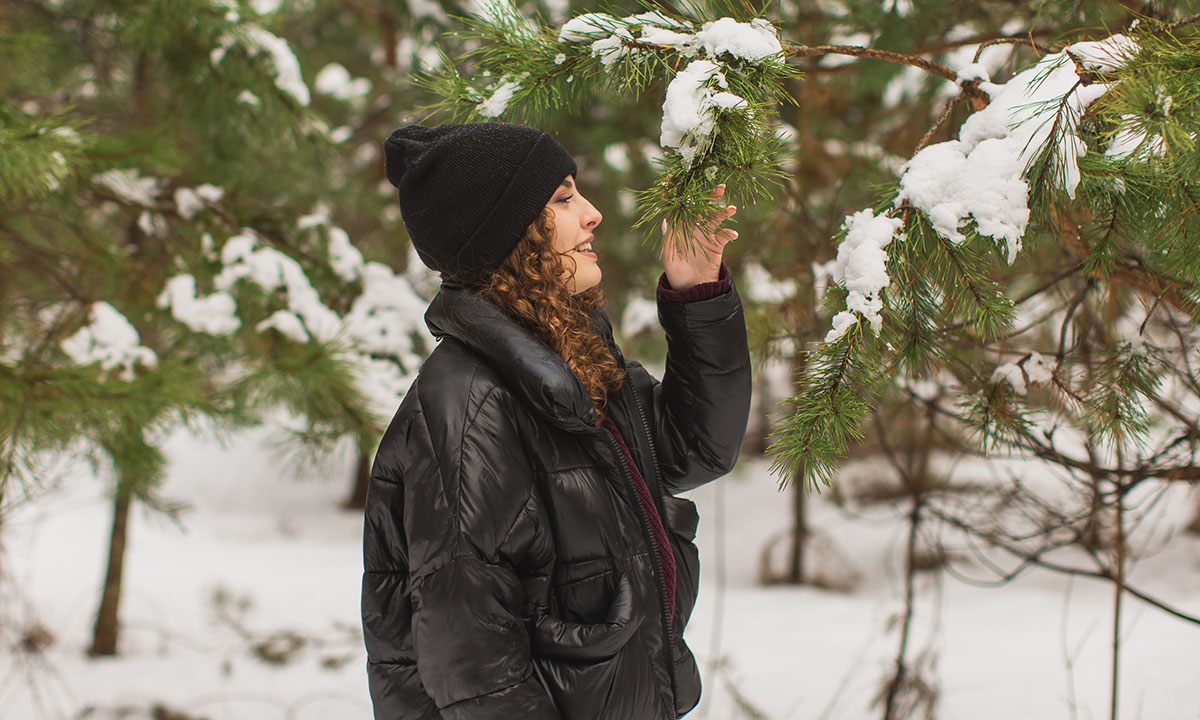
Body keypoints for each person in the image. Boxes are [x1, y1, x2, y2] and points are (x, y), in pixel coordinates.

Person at [361, 122, 752, 720]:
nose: (592, 214)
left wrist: (696, 293)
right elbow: (473, 667)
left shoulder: (568, 359)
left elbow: (694, 450)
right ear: (509, 235)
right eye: (564, 199)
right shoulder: (472, 403)